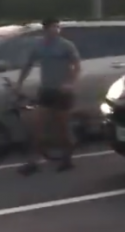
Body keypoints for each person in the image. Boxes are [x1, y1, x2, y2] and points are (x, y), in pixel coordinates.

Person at [14, 17, 81, 175]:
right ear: (45, 29)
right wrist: (19, 83)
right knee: (37, 126)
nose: (55, 30)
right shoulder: (39, 46)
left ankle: (67, 159)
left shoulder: (66, 45)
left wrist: (70, 83)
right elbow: (28, 65)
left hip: (62, 92)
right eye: (52, 27)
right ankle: (33, 162)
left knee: (62, 128)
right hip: (46, 90)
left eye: (57, 27)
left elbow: (77, 66)